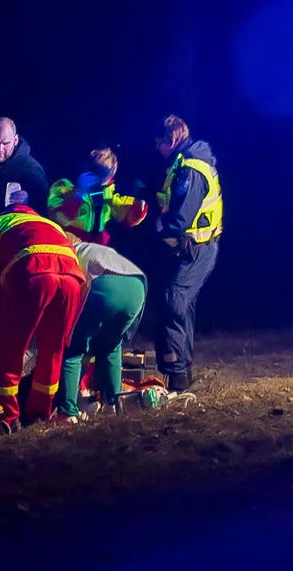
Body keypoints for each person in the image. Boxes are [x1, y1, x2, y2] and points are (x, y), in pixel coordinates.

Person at [0, 201, 86, 429]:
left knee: (6, 349)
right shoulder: (51, 224)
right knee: (52, 350)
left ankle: (6, 417)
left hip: (33, 272)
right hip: (72, 280)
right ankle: (40, 415)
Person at [153, 114, 223, 394]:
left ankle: (177, 375)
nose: (157, 150)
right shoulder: (184, 163)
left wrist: (159, 228)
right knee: (183, 306)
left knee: (173, 301)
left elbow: (180, 218)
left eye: (159, 144)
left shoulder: (191, 169)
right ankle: (182, 372)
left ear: (170, 140)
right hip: (192, 248)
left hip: (198, 248)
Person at [54, 240, 147, 423]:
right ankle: (113, 405)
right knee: (111, 346)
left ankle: (67, 413)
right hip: (138, 286)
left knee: (73, 349)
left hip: (105, 283)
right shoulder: (97, 249)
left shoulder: (67, 250)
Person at [46, 146, 149, 244]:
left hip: (95, 241)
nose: (101, 178)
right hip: (70, 239)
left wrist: (133, 209)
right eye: (100, 171)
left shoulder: (106, 189)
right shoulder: (64, 185)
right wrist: (79, 192)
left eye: (107, 174)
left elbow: (114, 205)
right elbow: (56, 209)